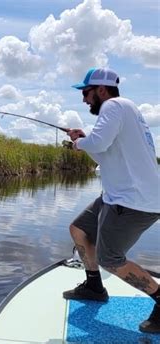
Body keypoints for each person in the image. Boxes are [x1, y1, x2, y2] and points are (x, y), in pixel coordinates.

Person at [64, 67, 160, 334]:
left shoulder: (114, 105)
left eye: (86, 92)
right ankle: (94, 286)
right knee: (79, 230)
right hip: (116, 197)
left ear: (101, 90)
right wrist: (85, 141)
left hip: (133, 202)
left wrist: (80, 143)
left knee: (112, 259)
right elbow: (102, 153)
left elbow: (97, 143)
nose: (84, 100)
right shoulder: (124, 111)